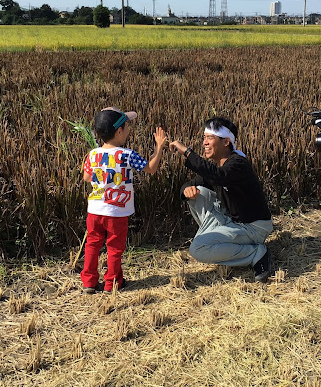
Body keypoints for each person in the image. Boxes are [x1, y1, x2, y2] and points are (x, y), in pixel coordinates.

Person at [169, 117, 274, 282]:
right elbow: (192, 183)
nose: (204, 143)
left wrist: (187, 152)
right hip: (233, 221)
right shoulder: (218, 166)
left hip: (253, 228)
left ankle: (256, 253)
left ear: (226, 142)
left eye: (210, 138)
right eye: (204, 138)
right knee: (199, 192)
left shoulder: (238, 164)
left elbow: (218, 177)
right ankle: (217, 240)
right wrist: (186, 191)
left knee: (198, 249)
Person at [81, 107, 167, 293]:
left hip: (95, 210)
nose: (128, 130)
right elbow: (151, 168)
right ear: (119, 131)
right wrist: (159, 147)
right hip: (116, 211)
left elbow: (87, 178)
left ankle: (89, 281)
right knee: (114, 248)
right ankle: (112, 283)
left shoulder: (93, 154)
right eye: (126, 127)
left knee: (92, 244)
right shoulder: (127, 155)